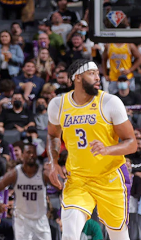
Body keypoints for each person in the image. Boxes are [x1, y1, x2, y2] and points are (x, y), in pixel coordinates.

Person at [46, 58, 137, 240]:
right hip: (78, 179)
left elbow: (132, 143)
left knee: (119, 236)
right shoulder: (58, 105)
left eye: (97, 73)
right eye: (92, 73)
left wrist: (108, 149)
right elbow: (53, 135)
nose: (97, 77)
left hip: (109, 178)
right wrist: (53, 162)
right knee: (70, 235)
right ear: (77, 78)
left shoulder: (110, 102)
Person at [0, 141, 50, 240]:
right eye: (28, 153)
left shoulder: (44, 173)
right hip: (22, 219)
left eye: (33, 153)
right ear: (23, 155)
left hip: (40, 219)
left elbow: (62, 188)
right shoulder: (15, 174)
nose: (31, 155)